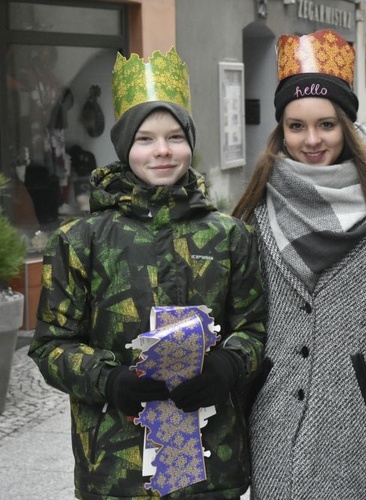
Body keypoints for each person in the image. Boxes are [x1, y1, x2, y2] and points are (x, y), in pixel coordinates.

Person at [28, 48, 267, 499]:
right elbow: (50, 346)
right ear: (124, 148)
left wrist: (229, 365)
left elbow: (254, 328)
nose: (162, 151)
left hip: (210, 465)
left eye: (175, 137)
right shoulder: (81, 240)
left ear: (190, 143)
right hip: (116, 466)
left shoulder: (230, 236)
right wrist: (108, 379)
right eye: (145, 139)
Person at [232, 29, 366, 499]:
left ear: (347, 126)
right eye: (296, 126)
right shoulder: (255, 209)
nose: (311, 140)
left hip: (358, 420)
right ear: (281, 129)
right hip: (272, 421)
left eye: (326, 124)